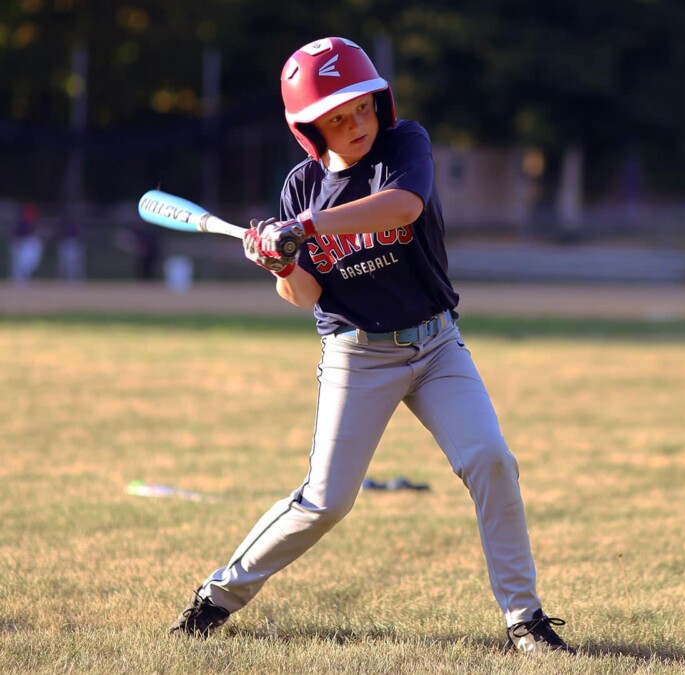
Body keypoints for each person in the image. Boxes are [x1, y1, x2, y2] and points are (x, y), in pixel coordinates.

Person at [167, 37, 574, 655]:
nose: (356, 124)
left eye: (361, 107)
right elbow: (305, 297)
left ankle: (526, 619)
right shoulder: (300, 189)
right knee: (326, 502)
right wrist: (278, 261)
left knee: (491, 459)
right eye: (337, 117)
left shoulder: (404, 146)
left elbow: (403, 208)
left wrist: (300, 231)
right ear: (309, 129)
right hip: (357, 355)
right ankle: (218, 596)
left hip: (437, 346)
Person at [9, 202, 43, 284]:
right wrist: (16, 241)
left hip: (25, 244)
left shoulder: (31, 223)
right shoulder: (21, 222)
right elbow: (15, 234)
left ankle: (24, 280)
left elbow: (32, 235)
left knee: (25, 263)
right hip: (19, 243)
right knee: (17, 264)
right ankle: (16, 282)